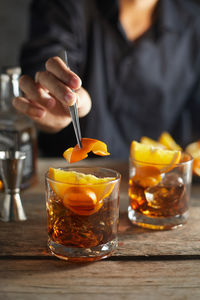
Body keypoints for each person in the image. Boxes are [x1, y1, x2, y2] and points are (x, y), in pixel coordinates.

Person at [13, 0, 200, 159]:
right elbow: (47, 60)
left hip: (155, 187)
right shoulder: (66, 5)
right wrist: (50, 96)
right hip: (67, 183)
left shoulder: (194, 24)